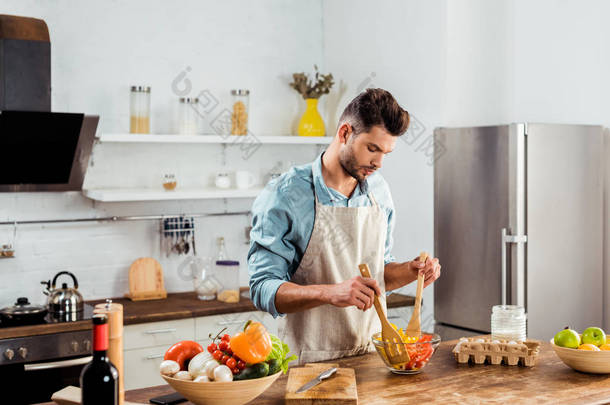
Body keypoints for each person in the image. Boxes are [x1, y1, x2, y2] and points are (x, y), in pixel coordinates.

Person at [248, 88, 442, 363]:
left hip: (374, 359)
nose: (378, 163)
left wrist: (411, 272)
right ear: (344, 133)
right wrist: (331, 292)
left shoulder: (378, 191)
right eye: (372, 148)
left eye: (386, 152)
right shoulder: (286, 194)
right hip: (309, 365)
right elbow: (262, 288)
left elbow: (379, 274)